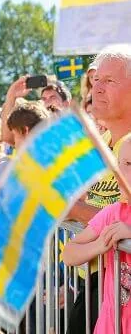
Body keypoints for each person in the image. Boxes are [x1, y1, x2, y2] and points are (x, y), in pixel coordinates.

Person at [65, 45, 131, 334]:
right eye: (96, 80)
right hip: (97, 283)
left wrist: (72, 209)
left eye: (110, 81)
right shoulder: (98, 144)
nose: (97, 89)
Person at [62, 134, 131, 334]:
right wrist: (100, 244)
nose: (118, 171)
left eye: (129, 163)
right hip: (111, 322)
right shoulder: (113, 212)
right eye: (118, 163)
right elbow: (69, 253)